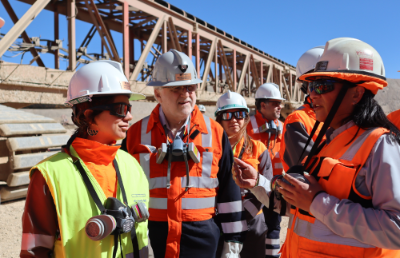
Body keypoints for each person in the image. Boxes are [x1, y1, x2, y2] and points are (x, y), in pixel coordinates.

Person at [233, 37, 400, 257]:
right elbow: (300, 206)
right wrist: (257, 183)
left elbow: (395, 230)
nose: (312, 94)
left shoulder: (380, 145)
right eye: (311, 86)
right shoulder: (329, 144)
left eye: (322, 86)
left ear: (356, 94)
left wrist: (317, 202)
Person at [121, 49, 247, 258]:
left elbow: (229, 191)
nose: (185, 94)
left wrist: (232, 244)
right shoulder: (135, 135)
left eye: (190, 87)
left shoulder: (215, 132)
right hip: (150, 244)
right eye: (176, 88)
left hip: (203, 245)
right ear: (158, 93)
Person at [20, 60, 150, 258]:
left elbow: (144, 238)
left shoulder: (131, 164)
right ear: (89, 115)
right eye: (121, 108)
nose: (130, 116)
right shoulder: (49, 175)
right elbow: (35, 251)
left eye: (129, 107)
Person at [215, 91, 273, 257]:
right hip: (221, 221)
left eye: (239, 114)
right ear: (219, 119)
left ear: (246, 118)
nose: (234, 120)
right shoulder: (212, 150)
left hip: (253, 221)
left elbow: (267, 186)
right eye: (227, 115)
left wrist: (242, 215)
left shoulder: (259, 149)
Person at [246, 82, 284, 257]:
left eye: (280, 103)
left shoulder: (282, 127)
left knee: (274, 227)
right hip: (254, 189)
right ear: (263, 105)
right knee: (255, 227)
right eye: (276, 103)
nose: (280, 107)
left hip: (277, 188)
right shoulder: (247, 126)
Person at [279, 46, 325, 172]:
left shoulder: (343, 118)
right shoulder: (298, 119)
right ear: (306, 87)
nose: (321, 90)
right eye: (317, 84)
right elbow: (309, 172)